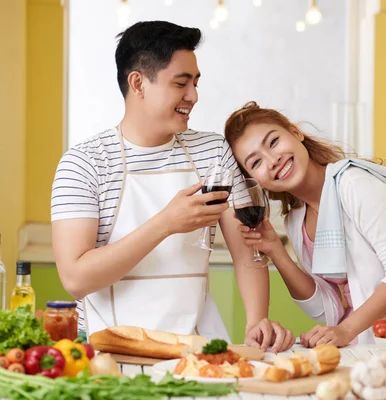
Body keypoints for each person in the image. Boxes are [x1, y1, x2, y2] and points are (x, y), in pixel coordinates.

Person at [51, 21, 294, 352]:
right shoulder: (84, 164)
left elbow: (247, 249)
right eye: (181, 83)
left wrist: (256, 321)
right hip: (105, 353)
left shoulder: (212, 152)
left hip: (195, 350)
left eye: (195, 82)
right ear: (138, 83)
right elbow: (76, 279)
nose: (193, 96)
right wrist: (166, 223)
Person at [224, 101, 386, 347]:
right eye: (256, 163)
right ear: (255, 181)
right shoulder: (296, 219)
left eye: (273, 142)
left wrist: (345, 330)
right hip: (353, 349)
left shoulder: (355, 185)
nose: (272, 160)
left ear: (295, 132)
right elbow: (328, 310)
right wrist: (275, 250)